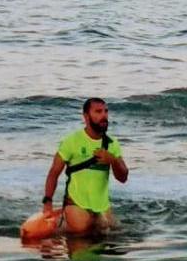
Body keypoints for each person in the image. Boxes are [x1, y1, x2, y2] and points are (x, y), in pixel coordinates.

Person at [41, 98, 129, 236]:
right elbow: (54, 173)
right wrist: (47, 202)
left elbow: (123, 177)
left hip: (102, 207)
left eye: (106, 111)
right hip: (76, 204)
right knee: (81, 232)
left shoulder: (112, 144)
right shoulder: (72, 141)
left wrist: (112, 160)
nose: (104, 116)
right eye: (98, 112)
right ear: (86, 116)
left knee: (117, 235)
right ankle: (60, 223)